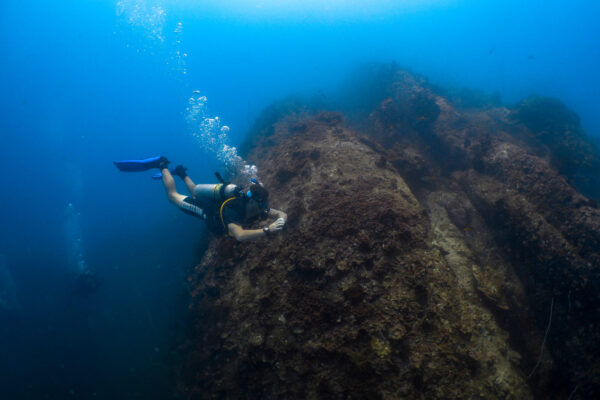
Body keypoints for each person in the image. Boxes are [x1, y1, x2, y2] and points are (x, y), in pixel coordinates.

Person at [114, 156, 287, 241]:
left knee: (196, 192)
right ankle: (161, 164)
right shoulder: (233, 211)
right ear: (252, 202)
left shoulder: (257, 207)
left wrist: (282, 220)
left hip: (214, 203)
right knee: (172, 197)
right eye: (262, 205)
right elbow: (239, 235)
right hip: (206, 211)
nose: (265, 208)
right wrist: (268, 230)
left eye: (264, 205)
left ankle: (181, 173)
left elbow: (280, 214)